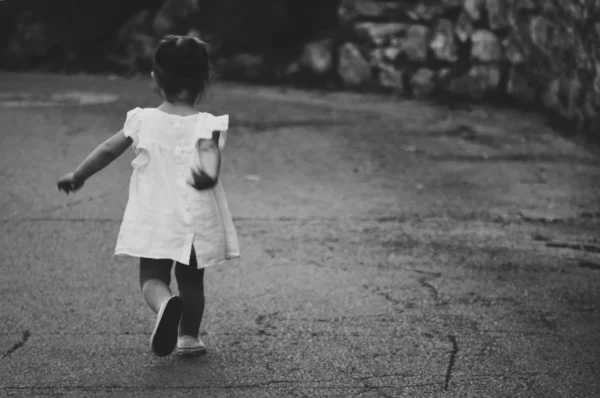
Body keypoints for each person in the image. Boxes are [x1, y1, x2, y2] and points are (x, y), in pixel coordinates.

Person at [57, 35, 240, 357]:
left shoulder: (142, 119)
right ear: (205, 78)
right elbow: (210, 164)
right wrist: (206, 176)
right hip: (195, 219)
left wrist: (78, 175)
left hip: (155, 216)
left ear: (156, 77)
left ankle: (164, 304)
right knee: (192, 282)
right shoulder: (207, 124)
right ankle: (189, 338)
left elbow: (107, 149)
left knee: (153, 277)